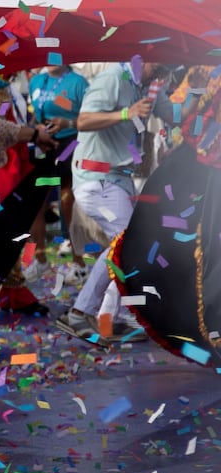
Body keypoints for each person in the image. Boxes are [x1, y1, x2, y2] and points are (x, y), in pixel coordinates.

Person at [65, 61, 160, 343]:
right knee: (126, 244)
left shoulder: (152, 84)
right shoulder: (113, 78)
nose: (166, 65)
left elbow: (176, 114)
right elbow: (83, 120)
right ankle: (81, 312)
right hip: (96, 179)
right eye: (160, 60)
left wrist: (196, 89)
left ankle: (109, 320)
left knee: (126, 247)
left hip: (120, 179)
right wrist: (126, 113)